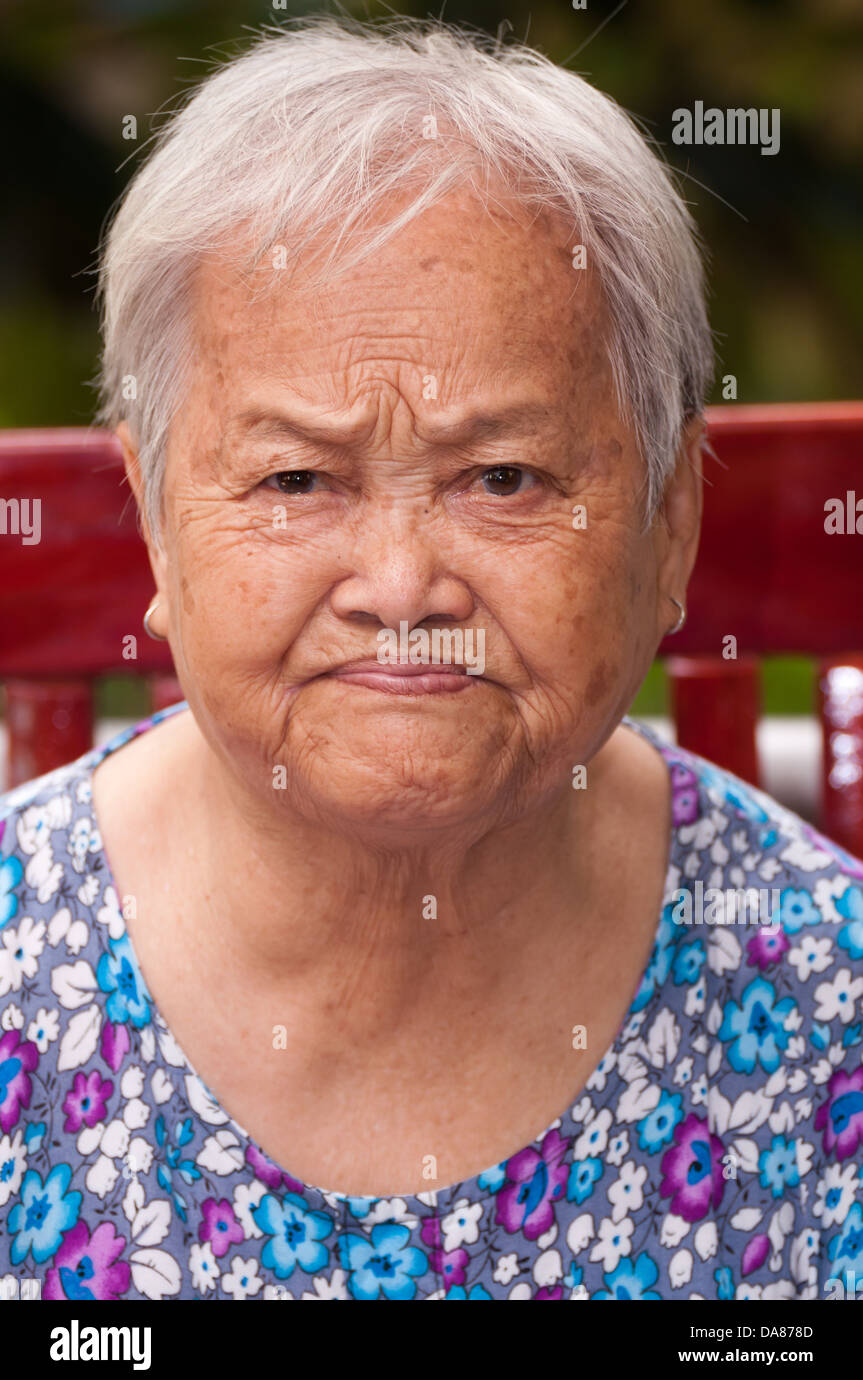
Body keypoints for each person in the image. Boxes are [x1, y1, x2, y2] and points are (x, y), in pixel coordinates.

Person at [1, 16, 860, 1301]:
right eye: (295, 477)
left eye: (501, 477)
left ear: (670, 517)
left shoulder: (822, 1007)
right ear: (157, 522)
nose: (400, 584)